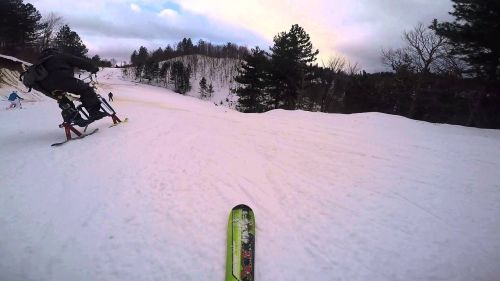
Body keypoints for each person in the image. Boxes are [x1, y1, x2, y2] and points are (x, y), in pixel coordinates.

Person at [34, 48, 108, 127]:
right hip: (63, 79)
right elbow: (79, 61)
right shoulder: (59, 56)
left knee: (62, 98)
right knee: (86, 89)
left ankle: (74, 117)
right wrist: (92, 68)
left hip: (45, 87)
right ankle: (94, 112)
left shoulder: (38, 63)